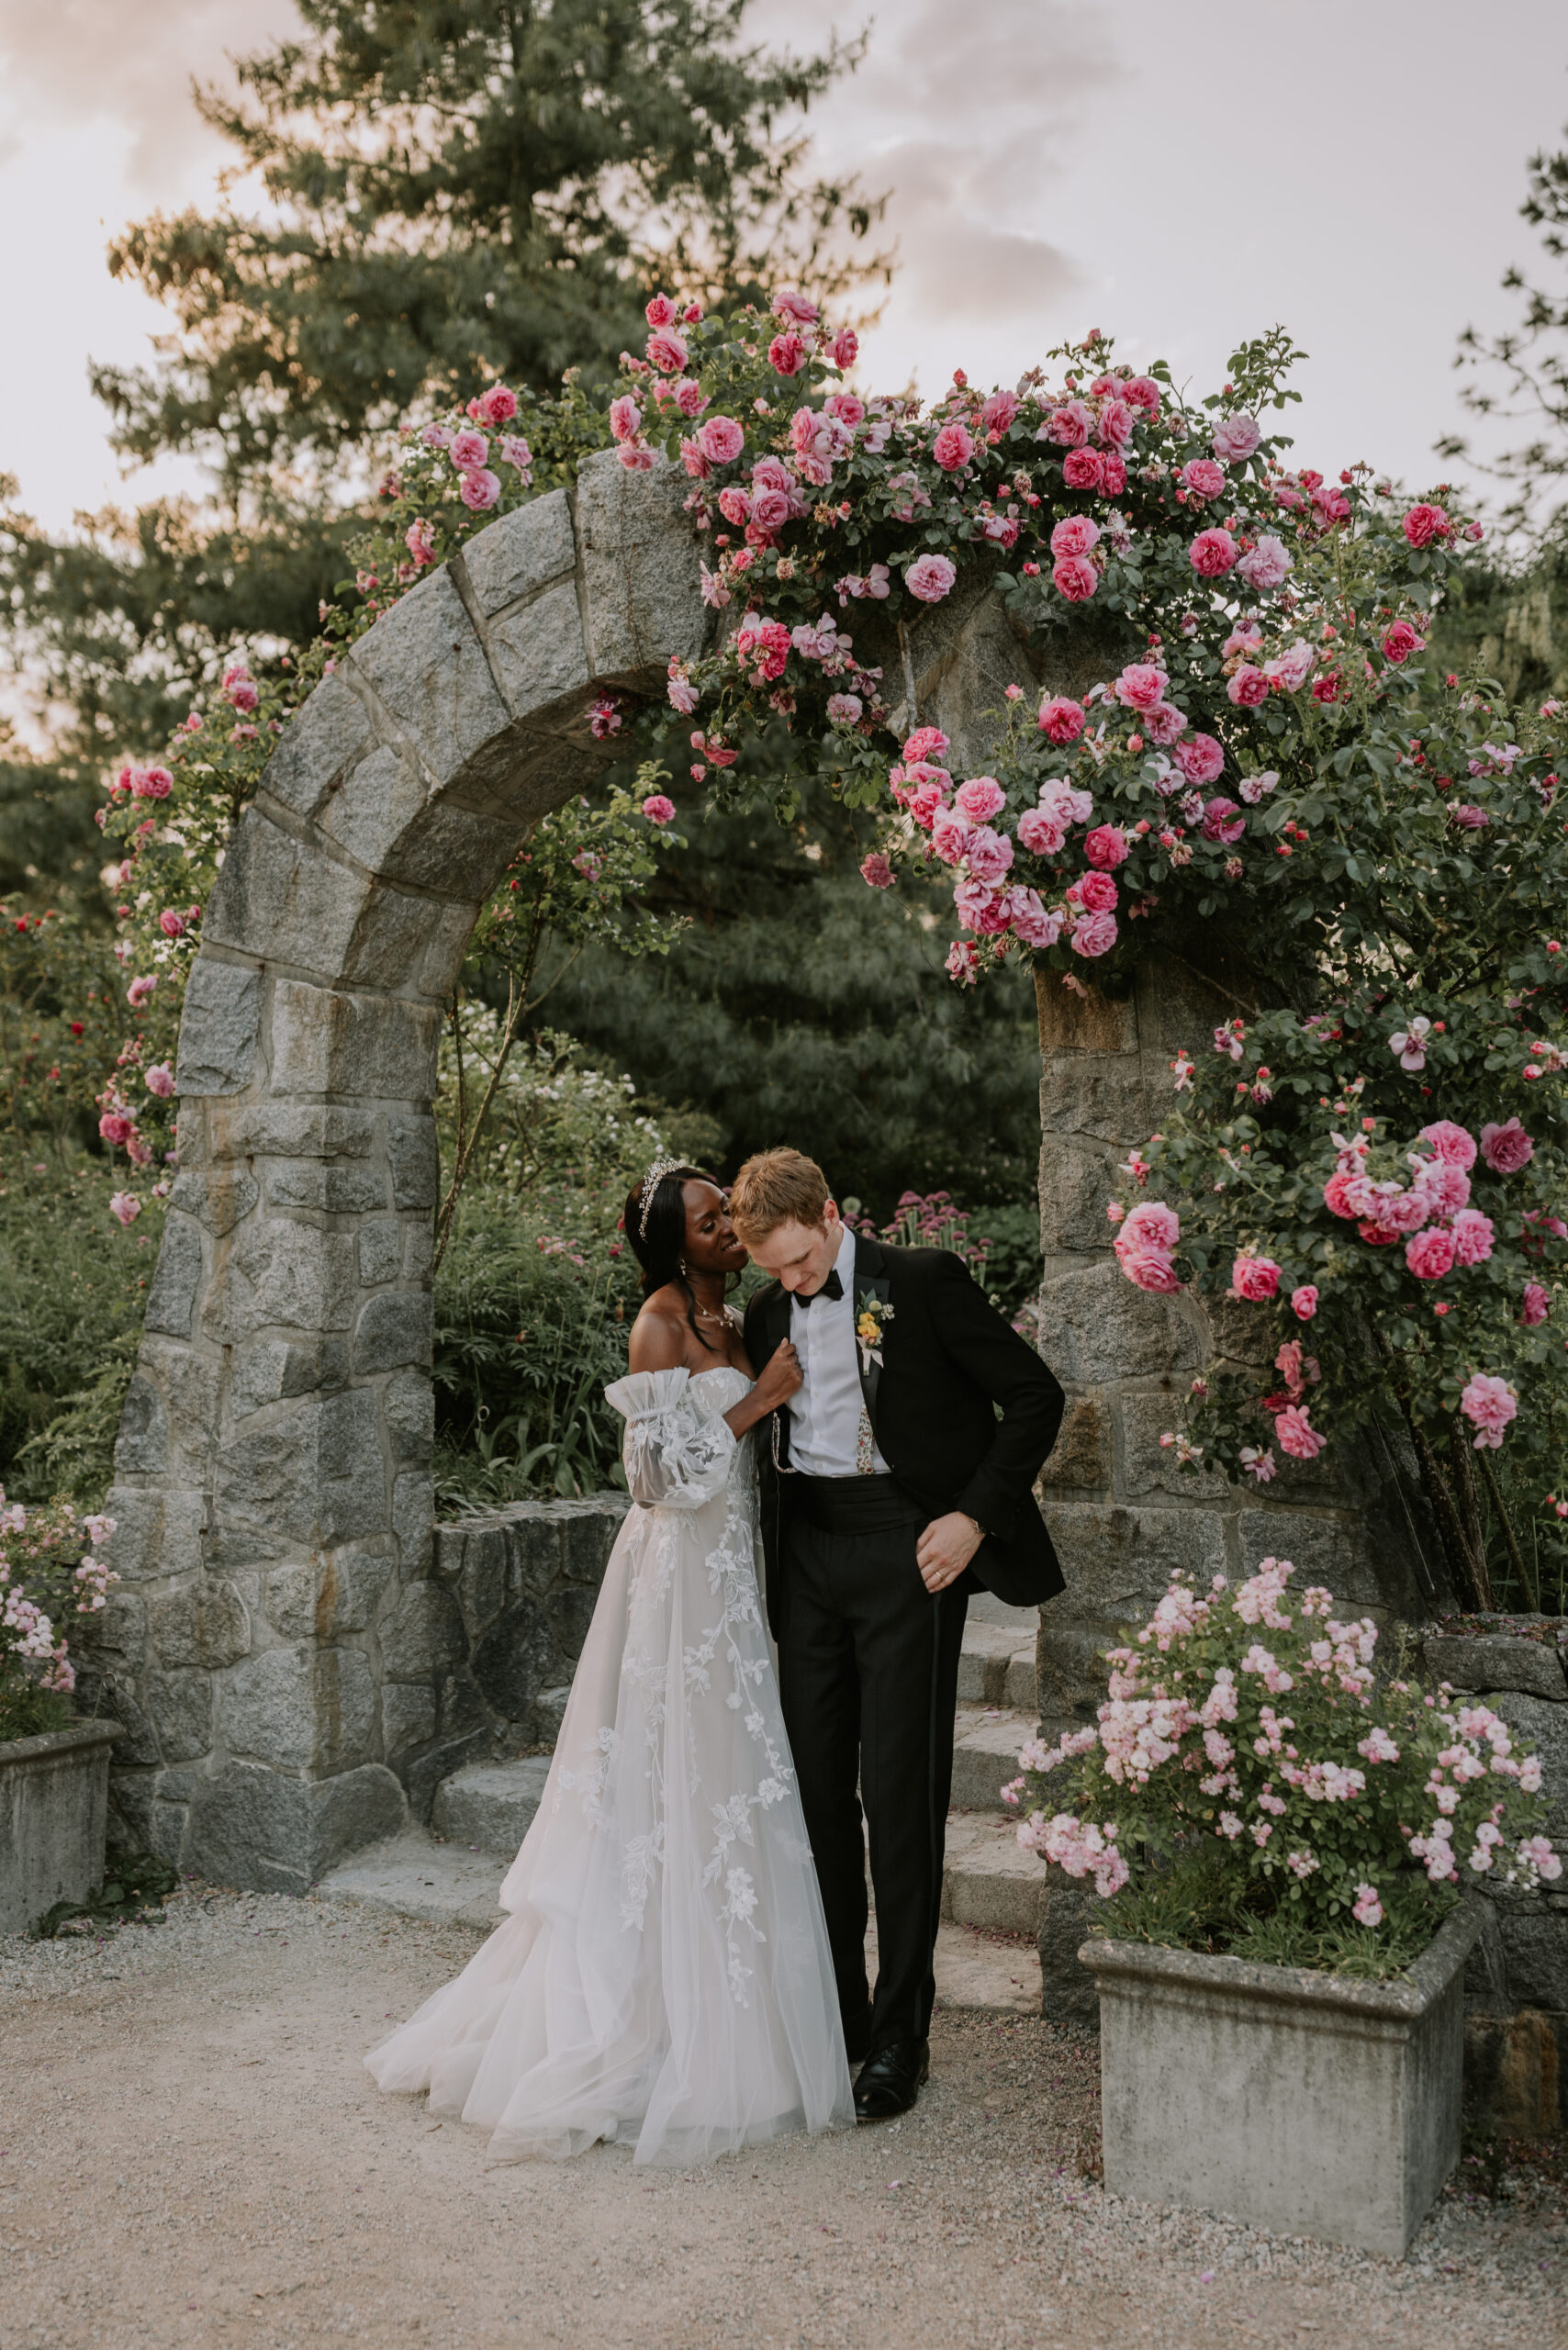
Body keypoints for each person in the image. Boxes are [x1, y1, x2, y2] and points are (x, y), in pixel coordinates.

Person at [364, 1160, 855, 2163]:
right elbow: (650, 1478)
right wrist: (758, 1400)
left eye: (728, 1213)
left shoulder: (744, 1314)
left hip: (729, 1574)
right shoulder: (662, 1322)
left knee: (728, 1774)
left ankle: (738, 2019)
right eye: (711, 1220)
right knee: (670, 1771)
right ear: (677, 1242)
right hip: (674, 1579)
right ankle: (638, 2022)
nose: (729, 1226)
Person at [733, 1148, 1064, 2122]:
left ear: (830, 1214)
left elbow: (1034, 1396)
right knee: (816, 1796)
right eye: (776, 1272)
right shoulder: (761, 1316)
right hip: (806, 1560)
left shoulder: (919, 1283)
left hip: (906, 1552)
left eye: (800, 1262)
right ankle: (836, 2014)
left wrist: (971, 1516)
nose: (792, 1285)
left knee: (900, 1794)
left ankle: (898, 2037)